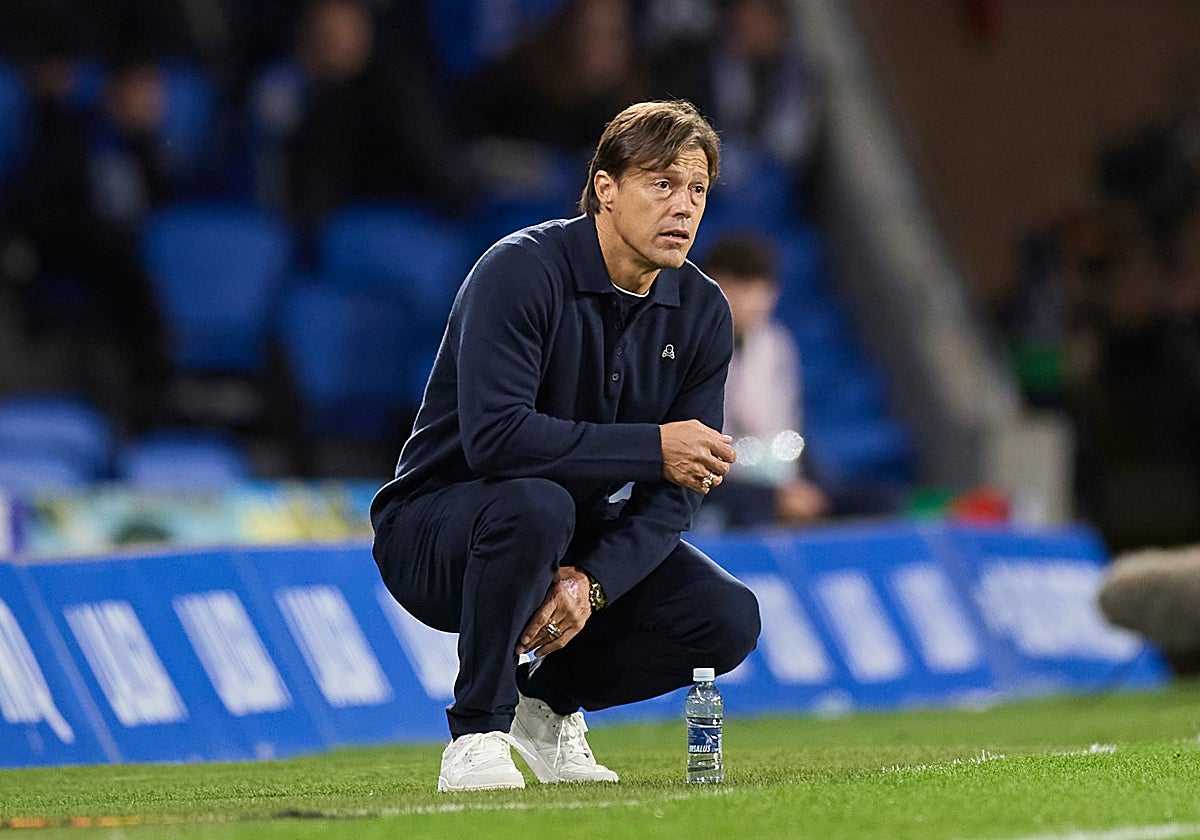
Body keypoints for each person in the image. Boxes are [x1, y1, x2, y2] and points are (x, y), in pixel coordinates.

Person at [370, 100, 761, 792]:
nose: (684, 207)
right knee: (537, 504)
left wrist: (593, 582)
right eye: (662, 184)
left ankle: (545, 706)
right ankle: (478, 732)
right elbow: (495, 439)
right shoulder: (520, 270)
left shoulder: (702, 311)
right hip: (436, 528)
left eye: (698, 189)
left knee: (726, 617)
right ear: (605, 189)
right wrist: (651, 447)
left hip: (566, 533)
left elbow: (677, 491)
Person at [699, 232, 830, 528]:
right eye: (745, 290)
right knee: (754, 511)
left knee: (872, 502)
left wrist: (800, 486)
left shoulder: (776, 343)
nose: (758, 302)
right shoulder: (686, 345)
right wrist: (775, 496)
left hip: (771, 472)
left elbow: (790, 426)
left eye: (765, 291)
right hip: (713, 476)